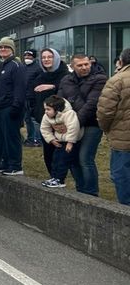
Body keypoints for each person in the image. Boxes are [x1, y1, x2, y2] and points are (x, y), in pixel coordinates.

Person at [59, 53, 107, 197]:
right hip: (72, 124)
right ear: (73, 66)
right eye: (80, 65)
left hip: (92, 124)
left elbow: (91, 105)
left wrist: (73, 124)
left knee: (85, 158)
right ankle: (81, 191)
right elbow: (60, 102)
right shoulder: (66, 80)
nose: (84, 67)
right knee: (73, 159)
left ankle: (92, 193)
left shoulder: (100, 79)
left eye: (86, 64)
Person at [97, 48, 130, 205]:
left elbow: (105, 111)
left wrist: (106, 128)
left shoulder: (117, 80)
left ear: (121, 61)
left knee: (122, 175)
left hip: (122, 138)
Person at [28, 48, 68, 179]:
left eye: (49, 57)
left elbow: (67, 92)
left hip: (61, 121)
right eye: (43, 57)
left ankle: (59, 178)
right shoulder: (40, 76)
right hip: (44, 121)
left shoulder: (65, 75)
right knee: (48, 153)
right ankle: (53, 176)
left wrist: (52, 87)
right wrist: (35, 112)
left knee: (59, 152)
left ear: (55, 58)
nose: (46, 59)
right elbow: (32, 95)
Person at [0, 36, 26, 176]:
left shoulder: (16, 66)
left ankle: (15, 165)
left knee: (11, 137)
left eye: (6, 47)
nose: (3, 49)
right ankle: (3, 162)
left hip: (9, 108)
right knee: (0, 138)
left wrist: (15, 107)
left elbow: (20, 88)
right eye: (1, 47)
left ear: (12, 50)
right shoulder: (0, 65)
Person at [39, 95, 83, 189]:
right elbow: (44, 128)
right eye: (45, 109)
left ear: (57, 109)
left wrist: (70, 142)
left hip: (72, 142)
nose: (46, 111)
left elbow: (73, 128)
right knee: (55, 159)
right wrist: (51, 139)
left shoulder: (69, 114)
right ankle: (54, 177)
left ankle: (60, 179)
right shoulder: (46, 116)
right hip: (60, 141)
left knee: (63, 161)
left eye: (48, 109)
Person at [21, 50, 42, 146]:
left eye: (29, 55)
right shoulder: (22, 67)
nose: (27, 57)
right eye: (25, 55)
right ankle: (30, 138)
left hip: (34, 98)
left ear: (33, 57)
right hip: (24, 98)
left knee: (35, 120)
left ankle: (38, 139)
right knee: (27, 120)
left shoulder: (38, 68)